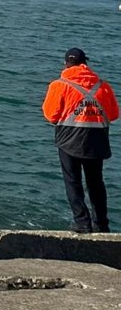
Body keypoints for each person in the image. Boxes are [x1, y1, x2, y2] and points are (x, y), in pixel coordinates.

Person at [43, 48, 119, 233]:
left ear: (66, 64)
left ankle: (82, 223)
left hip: (69, 140)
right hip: (96, 140)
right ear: (85, 63)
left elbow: (51, 115)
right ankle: (101, 225)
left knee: (73, 182)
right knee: (96, 183)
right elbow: (114, 114)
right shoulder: (103, 86)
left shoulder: (59, 85)